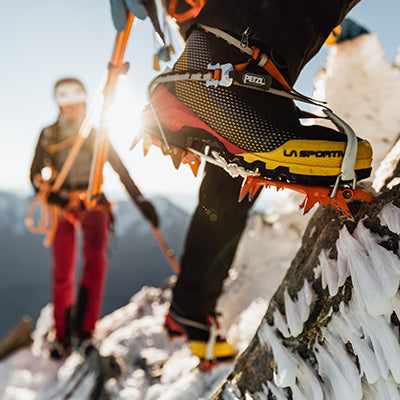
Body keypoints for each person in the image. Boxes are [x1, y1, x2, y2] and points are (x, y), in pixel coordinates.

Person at [110, 0, 373, 366]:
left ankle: (191, 304)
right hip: (233, 43)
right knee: (235, 153)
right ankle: (219, 73)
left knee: (231, 170)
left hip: (225, 38)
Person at [30, 77, 159, 359]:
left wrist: (139, 200)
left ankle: (85, 331)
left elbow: (120, 169)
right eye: (68, 105)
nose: (73, 110)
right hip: (64, 206)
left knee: (95, 263)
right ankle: (63, 334)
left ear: (84, 103)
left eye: (77, 105)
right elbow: (35, 174)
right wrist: (52, 194)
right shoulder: (49, 135)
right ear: (60, 106)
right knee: (63, 271)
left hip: (93, 204)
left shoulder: (96, 135)